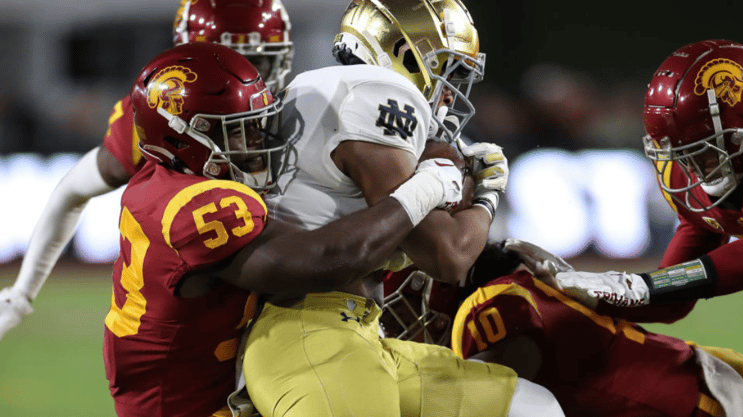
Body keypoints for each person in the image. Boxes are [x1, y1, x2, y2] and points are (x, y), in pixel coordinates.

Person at [104, 41, 465, 417]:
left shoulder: (162, 178)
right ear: (181, 138)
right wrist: (427, 187)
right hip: (185, 406)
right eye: (238, 132)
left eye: (259, 124)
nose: (259, 143)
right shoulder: (196, 207)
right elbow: (327, 260)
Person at [240, 1, 566, 416]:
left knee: (529, 406)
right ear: (405, 54)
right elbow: (447, 257)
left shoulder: (321, 88)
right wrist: (489, 191)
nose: (449, 92)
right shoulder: (381, 92)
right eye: (447, 70)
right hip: (310, 337)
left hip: (350, 334)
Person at [0, 0, 294, 340]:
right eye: (231, 55)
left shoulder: (305, 102)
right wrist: (22, 291)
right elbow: (73, 189)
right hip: (201, 323)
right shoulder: (159, 116)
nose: (245, 72)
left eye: (261, 59)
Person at [381, 240, 743, 417]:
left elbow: (500, 393)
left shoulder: (491, 305)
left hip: (699, 407)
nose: (397, 326)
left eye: (398, 310)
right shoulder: (508, 289)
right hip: (711, 389)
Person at [544, 39, 743, 323]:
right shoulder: (683, 169)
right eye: (682, 153)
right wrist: (566, 294)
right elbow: (670, 303)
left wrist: (645, 286)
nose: (693, 169)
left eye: (706, 149)